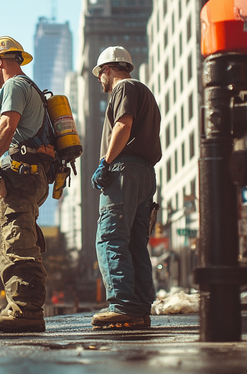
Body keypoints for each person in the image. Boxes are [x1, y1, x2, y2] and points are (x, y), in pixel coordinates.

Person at [0, 36, 50, 332]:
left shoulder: (14, 85)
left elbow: (7, 125)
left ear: (0, 62)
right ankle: (17, 305)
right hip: (29, 175)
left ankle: (27, 310)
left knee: (16, 239)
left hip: (22, 175)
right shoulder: (30, 88)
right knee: (14, 237)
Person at [90, 46, 162, 329]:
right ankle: (140, 308)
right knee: (135, 244)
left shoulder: (124, 88)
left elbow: (123, 125)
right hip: (145, 173)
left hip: (123, 171)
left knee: (110, 238)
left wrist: (105, 163)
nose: (100, 81)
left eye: (100, 74)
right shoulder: (145, 92)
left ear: (108, 69)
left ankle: (122, 304)